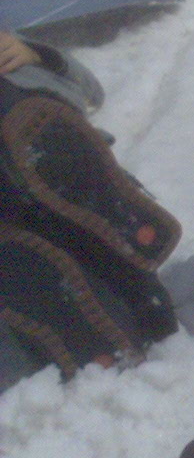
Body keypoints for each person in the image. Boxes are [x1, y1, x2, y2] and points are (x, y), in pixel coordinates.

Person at [0, 32, 180, 391]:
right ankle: (134, 300)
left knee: (17, 105)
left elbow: (92, 93)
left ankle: (49, 144)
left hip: (56, 183)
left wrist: (42, 57)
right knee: (53, 246)